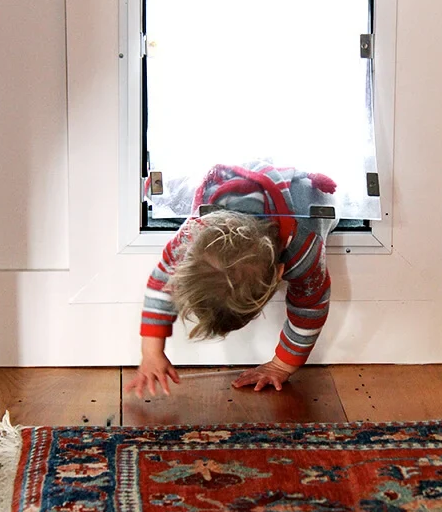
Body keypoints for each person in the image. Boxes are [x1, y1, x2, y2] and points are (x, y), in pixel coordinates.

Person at [126, 161, 338, 398]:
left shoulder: (302, 247)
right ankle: (156, 186)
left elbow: (310, 309)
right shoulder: (191, 236)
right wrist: (151, 351)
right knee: (181, 192)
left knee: (324, 200)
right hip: (231, 187)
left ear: (281, 272)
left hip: (301, 195)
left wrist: (282, 365)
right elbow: (161, 284)